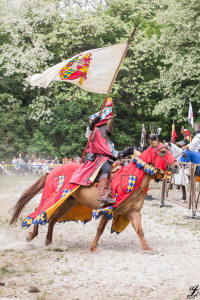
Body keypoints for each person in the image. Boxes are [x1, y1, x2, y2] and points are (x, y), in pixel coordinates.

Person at [70, 98, 133, 207]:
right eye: (109, 123)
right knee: (106, 168)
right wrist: (91, 125)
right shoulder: (96, 132)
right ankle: (103, 196)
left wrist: (124, 152)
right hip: (97, 159)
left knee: (120, 168)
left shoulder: (109, 142)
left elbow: (115, 154)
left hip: (107, 159)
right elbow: (88, 134)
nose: (110, 126)